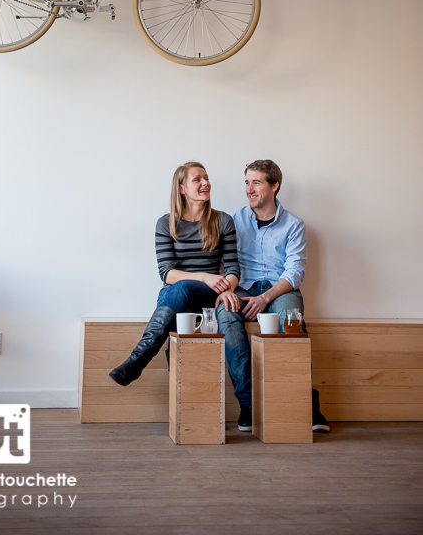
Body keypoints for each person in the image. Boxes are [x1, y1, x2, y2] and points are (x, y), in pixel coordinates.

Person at [215, 159, 330, 433]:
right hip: (241, 287)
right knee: (226, 317)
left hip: (279, 290)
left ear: (274, 185)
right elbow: (222, 262)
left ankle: (306, 402)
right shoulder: (233, 221)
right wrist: (226, 289)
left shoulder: (294, 225)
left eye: (256, 183)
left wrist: (265, 298)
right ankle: (248, 404)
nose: (249, 189)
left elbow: (294, 272)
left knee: (291, 319)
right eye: (247, 182)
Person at [109, 161, 240, 386]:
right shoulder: (165, 223)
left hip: (210, 294)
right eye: (197, 179)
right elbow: (166, 273)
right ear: (181, 188)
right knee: (180, 303)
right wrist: (203, 276)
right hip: (178, 294)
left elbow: (233, 268)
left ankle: (137, 360)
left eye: (206, 178)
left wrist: (227, 289)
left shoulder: (223, 221)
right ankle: (180, 386)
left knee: (181, 289)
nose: (205, 183)